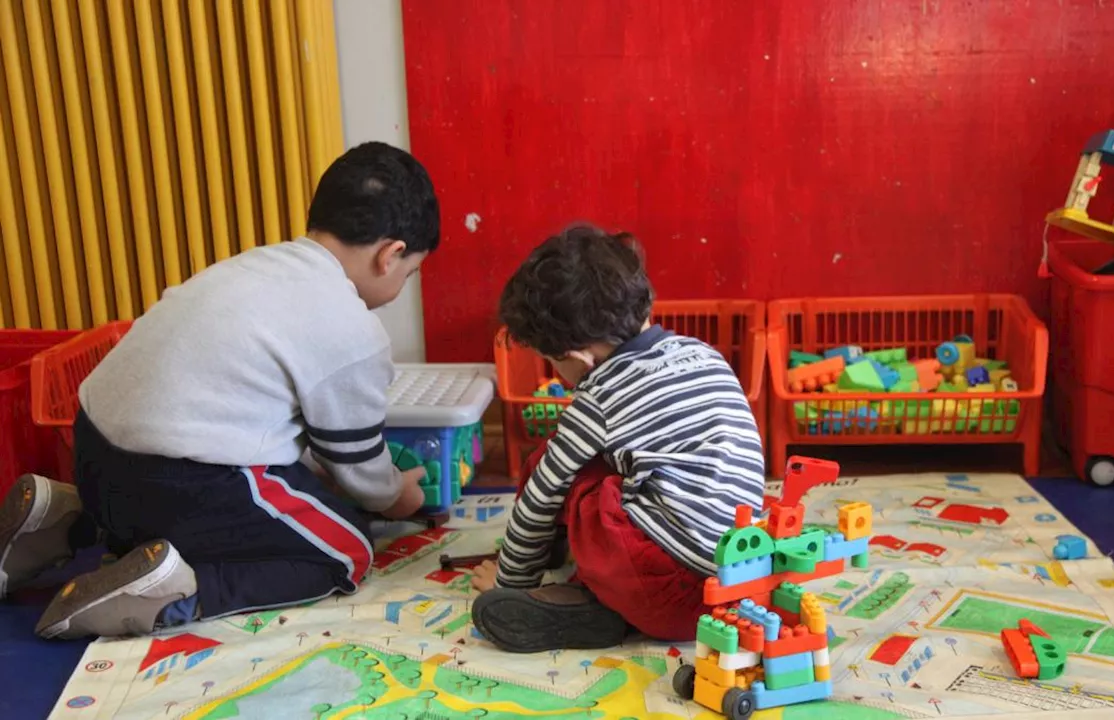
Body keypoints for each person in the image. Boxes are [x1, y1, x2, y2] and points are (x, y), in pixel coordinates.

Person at [0, 141, 439, 639]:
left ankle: (68, 518)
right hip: (176, 481)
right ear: (391, 255)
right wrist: (397, 496)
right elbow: (358, 468)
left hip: (93, 452)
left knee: (274, 491)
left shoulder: (256, 266)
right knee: (346, 550)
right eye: (412, 272)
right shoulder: (351, 332)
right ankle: (179, 591)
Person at [469, 225, 765, 653]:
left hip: (659, 589)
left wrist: (509, 581)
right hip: (735, 586)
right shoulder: (704, 353)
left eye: (553, 364)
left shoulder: (600, 397)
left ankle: (576, 589)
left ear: (577, 357)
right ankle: (596, 610)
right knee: (612, 471)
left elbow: (541, 494)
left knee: (553, 465)